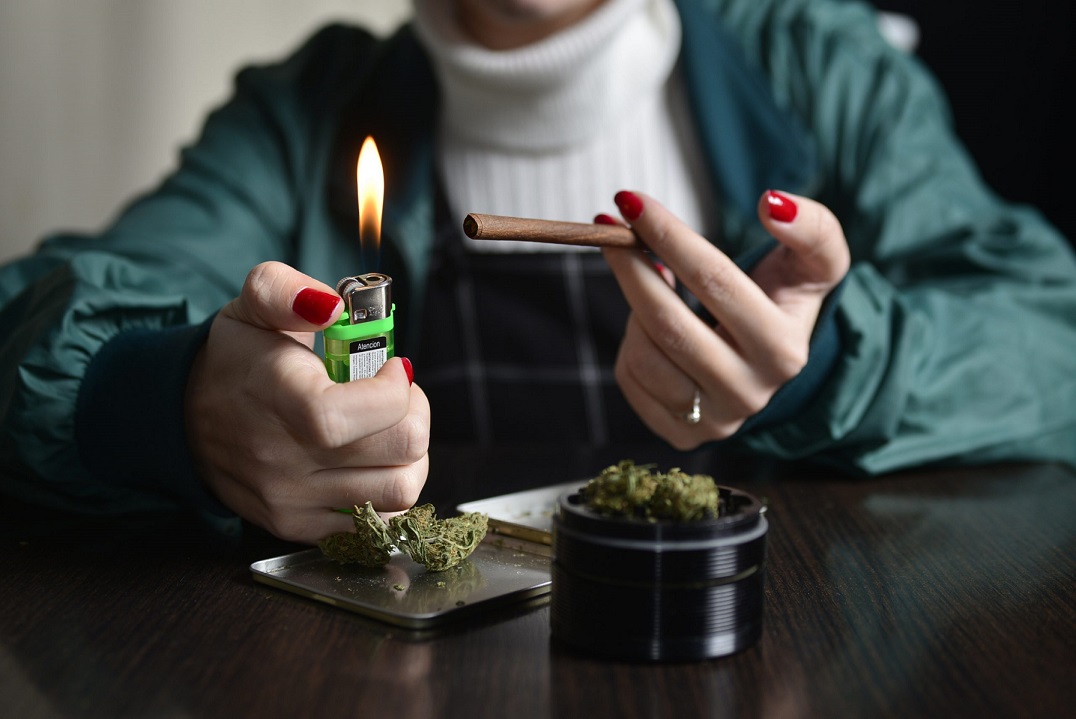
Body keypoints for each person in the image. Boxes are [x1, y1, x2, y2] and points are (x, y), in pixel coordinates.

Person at [1, 0, 1074, 542]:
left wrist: (830, 360)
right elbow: (32, 321)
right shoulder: (301, 118)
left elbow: (1050, 339)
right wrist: (165, 400)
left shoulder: (822, 68)